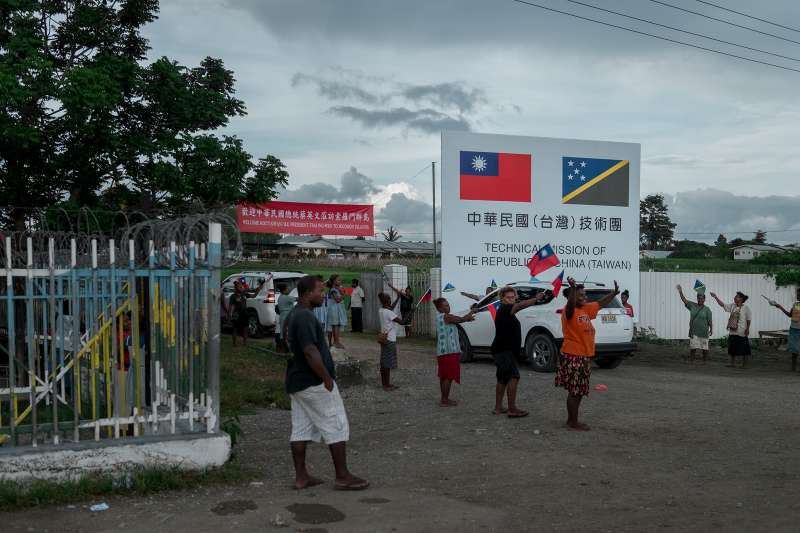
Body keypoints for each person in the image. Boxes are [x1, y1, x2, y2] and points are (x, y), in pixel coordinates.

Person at [284, 275, 369, 491]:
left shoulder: (295, 314)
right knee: (336, 423)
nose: (324, 295)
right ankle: (342, 476)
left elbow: (285, 345)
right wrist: (327, 378)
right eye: (320, 291)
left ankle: (301, 477)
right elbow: (310, 351)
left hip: (297, 381)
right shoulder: (304, 317)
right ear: (306, 293)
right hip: (313, 382)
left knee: (301, 429)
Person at [556, 277, 620, 431]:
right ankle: (572, 422)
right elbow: (570, 307)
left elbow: (600, 304)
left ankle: (572, 420)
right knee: (575, 391)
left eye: (585, 295)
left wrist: (613, 293)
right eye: (581, 295)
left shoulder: (585, 309)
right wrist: (572, 289)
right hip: (573, 355)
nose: (584, 297)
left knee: (579, 391)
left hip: (583, 356)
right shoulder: (569, 311)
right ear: (572, 297)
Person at [488, 286, 544, 418]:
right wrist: (535, 299)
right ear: (502, 299)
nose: (511, 299)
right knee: (513, 377)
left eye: (513, 297)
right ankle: (512, 409)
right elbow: (519, 306)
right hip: (504, 351)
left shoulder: (504, 310)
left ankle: (498, 408)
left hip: (502, 350)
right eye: (508, 297)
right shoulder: (505, 308)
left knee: (502, 379)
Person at [433, 298, 475, 406]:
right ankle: (445, 400)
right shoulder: (446, 316)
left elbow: (462, 319)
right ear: (439, 308)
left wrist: (469, 315)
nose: (448, 307)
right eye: (445, 306)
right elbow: (461, 319)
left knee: (444, 376)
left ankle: (444, 398)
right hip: (450, 350)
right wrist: (470, 314)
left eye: (448, 305)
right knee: (449, 376)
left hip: (442, 351)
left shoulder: (439, 317)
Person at [710, 291, 752, 368]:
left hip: (742, 331)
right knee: (732, 348)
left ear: (741, 299)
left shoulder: (746, 308)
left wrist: (747, 329)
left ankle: (744, 365)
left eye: (736, 297)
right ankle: (732, 364)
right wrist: (715, 297)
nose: (735, 298)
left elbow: (748, 320)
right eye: (735, 297)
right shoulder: (732, 306)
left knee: (744, 349)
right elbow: (722, 305)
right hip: (733, 331)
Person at [677, 285, 713, 364]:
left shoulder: (707, 310)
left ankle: (705, 361)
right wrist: (680, 291)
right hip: (694, 331)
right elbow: (684, 300)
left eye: (702, 298)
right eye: (699, 298)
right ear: (697, 299)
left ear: (704, 299)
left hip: (704, 331)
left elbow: (710, 320)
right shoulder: (692, 306)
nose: (700, 299)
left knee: (705, 348)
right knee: (693, 347)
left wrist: (711, 329)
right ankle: (691, 361)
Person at [767, 288, 800, 371]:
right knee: (794, 349)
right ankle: (793, 368)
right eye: (798, 294)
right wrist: (779, 306)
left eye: (799, 294)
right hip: (793, 329)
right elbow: (790, 315)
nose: (798, 295)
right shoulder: (796, 304)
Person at [378, 291, 405, 391]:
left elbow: (391, 309)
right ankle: (387, 385)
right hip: (390, 339)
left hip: (384, 338)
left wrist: (397, 299)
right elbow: (402, 322)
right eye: (390, 299)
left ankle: (384, 383)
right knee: (387, 363)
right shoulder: (389, 312)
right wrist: (411, 311)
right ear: (388, 301)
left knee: (384, 361)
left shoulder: (381, 310)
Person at [326, 275, 347, 349]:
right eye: (338, 280)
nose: (340, 281)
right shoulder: (333, 290)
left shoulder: (336, 289)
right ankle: (336, 342)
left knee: (334, 325)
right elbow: (337, 300)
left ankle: (334, 342)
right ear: (334, 281)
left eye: (340, 280)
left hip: (335, 309)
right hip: (334, 309)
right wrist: (343, 294)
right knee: (335, 325)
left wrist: (341, 292)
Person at [226, 280, 249, 347]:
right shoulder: (233, 296)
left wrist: (258, 289)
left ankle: (245, 343)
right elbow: (230, 307)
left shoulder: (244, 294)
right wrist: (229, 315)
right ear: (236, 288)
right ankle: (234, 343)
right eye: (240, 286)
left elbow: (253, 296)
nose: (241, 287)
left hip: (244, 313)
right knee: (235, 328)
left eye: (241, 286)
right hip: (237, 314)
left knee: (245, 328)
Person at [275, 284, 296, 351]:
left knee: (282, 332)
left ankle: (282, 348)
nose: (289, 290)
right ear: (284, 290)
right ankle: (285, 348)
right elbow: (297, 299)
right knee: (286, 333)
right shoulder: (286, 297)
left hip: (282, 316)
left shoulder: (280, 297)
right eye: (287, 289)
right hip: (286, 316)